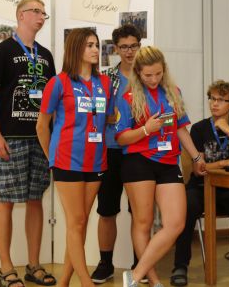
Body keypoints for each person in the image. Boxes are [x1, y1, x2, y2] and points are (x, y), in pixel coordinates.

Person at [0, 0, 56, 287]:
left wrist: (53, 142)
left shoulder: (46, 55)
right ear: (21, 15)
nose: (41, 16)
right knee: (6, 201)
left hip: (40, 139)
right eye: (36, 11)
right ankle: (5, 268)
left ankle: (34, 265)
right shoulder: (2, 51)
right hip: (10, 138)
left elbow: (52, 103)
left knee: (36, 199)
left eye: (44, 13)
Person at [115, 46, 204, 287]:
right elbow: (121, 137)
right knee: (142, 223)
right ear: (138, 73)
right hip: (138, 162)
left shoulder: (173, 92)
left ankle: (134, 275)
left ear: (164, 70)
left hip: (168, 162)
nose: (153, 79)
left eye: (158, 74)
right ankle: (153, 280)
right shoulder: (127, 97)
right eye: (148, 75)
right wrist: (146, 130)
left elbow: (181, 128)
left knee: (176, 223)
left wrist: (196, 157)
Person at [36, 28, 114, 287]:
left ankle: (64, 282)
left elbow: (107, 119)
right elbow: (41, 125)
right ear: (75, 49)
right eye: (89, 45)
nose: (95, 50)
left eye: (96, 45)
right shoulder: (58, 83)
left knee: (79, 225)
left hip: (96, 161)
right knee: (76, 221)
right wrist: (52, 159)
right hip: (66, 161)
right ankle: (86, 282)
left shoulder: (104, 83)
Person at [170, 80, 229, 287]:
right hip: (201, 187)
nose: (214, 104)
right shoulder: (198, 129)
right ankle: (180, 266)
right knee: (186, 208)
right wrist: (224, 162)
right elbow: (199, 168)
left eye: (220, 100)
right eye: (212, 99)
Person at [89, 24, 152, 284]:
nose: (129, 51)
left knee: (141, 212)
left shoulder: (148, 75)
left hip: (140, 151)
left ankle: (142, 263)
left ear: (140, 45)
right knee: (107, 211)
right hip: (110, 150)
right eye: (124, 47)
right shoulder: (105, 78)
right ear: (115, 49)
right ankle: (105, 264)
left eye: (133, 46)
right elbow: (94, 112)